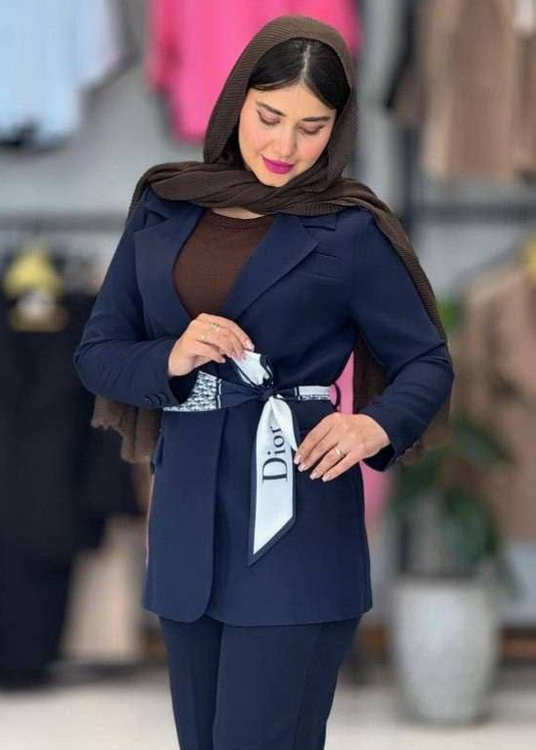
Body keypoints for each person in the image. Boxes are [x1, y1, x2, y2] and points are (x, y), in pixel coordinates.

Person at [74, 15, 455, 750]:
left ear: (337, 129)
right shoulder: (165, 204)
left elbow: (427, 361)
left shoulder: (349, 229)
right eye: (269, 117)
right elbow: (98, 353)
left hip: (298, 526)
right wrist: (171, 357)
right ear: (234, 104)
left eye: (312, 128)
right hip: (185, 529)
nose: (286, 146)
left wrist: (373, 424)